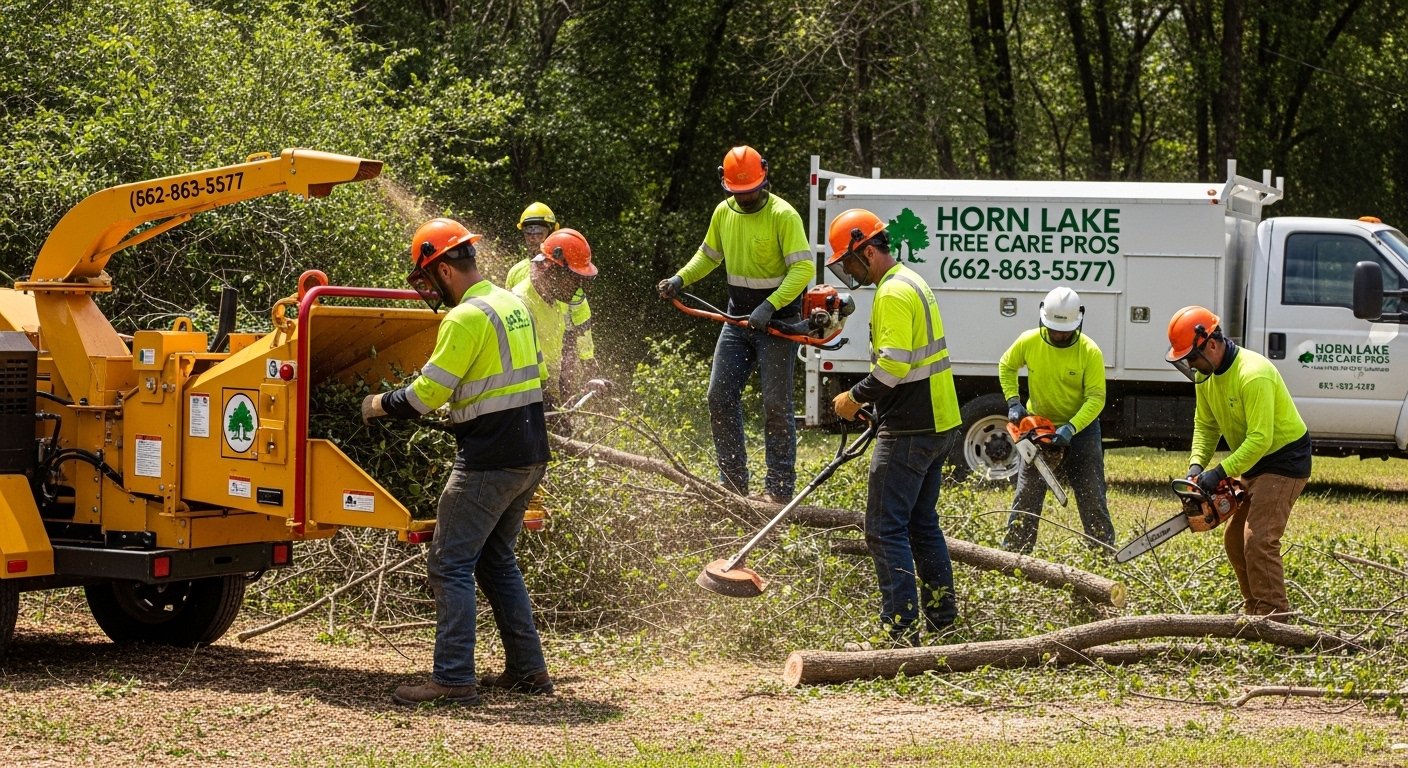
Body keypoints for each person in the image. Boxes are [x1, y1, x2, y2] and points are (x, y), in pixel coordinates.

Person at [361, 217, 555, 706]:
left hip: (489, 459)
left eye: (427, 280)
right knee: (496, 560)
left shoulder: (465, 317)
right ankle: (529, 672)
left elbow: (427, 394)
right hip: (530, 453)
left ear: (444, 271)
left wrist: (378, 405)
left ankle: (452, 678)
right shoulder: (513, 303)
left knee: (449, 563)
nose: (429, 290)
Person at [826, 208, 962, 645]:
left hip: (911, 428)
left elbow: (893, 366)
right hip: (937, 420)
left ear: (867, 249)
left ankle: (899, 631)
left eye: (848, 261)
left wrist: (853, 398)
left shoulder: (892, 292)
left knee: (884, 527)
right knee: (921, 524)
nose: (848, 270)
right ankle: (943, 622)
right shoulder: (912, 280)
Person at [656, 145, 814, 503]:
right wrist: (680, 279)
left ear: (764, 178)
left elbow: (803, 269)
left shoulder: (783, 215)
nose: (743, 198)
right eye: (736, 193)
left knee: (776, 404)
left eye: (750, 191)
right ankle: (733, 482)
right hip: (736, 320)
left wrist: (770, 306)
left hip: (778, 323)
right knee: (719, 396)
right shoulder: (723, 213)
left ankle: (778, 489)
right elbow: (708, 255)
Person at [1166, 306, 1310, 618]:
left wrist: (1218, 472)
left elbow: (1260, 439)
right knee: (1234, 539)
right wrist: (1195, 468)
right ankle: (1255, 608)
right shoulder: (1206, 377)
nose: (1190, 364)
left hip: (1284, 460)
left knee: (1258, 540)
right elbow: (1206, 426)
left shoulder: (1252, 373)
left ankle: (1276, 616)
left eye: (1192, 357)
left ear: (1211, 344)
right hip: (1254, 461)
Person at [998, 286, 1115, 554]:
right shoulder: (1029, 341)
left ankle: (1103, 555)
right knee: (1026, 496)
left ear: (1078, 322)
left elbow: (1096, 398)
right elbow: (1006, 364)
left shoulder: (1089, 351)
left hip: (1081, 430)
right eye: (1054, 329)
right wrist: (1013, 400)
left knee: (1092, 497)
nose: (1059, 334)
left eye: (1065, 330)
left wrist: (1072, 427)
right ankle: (1014, 555)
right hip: (1038, 428)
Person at [512, 227, 610, 412]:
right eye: (574, 278)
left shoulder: (558, 299)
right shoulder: (520, 304)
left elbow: (581, 329)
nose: (577, 287)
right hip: (523, 404)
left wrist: (591, 372)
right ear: (551, 268)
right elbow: (518, 369)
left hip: (548, 395)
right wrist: (544, 401)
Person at [508, 202, 594, 399]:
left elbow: (583, 321)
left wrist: (588, 360)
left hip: (566, 346)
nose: (534, 237)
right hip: (532, 346)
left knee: (564, 402)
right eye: (530, 231)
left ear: (551, 232)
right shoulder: (516, 273)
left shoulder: (568, 270)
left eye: (539, 231)